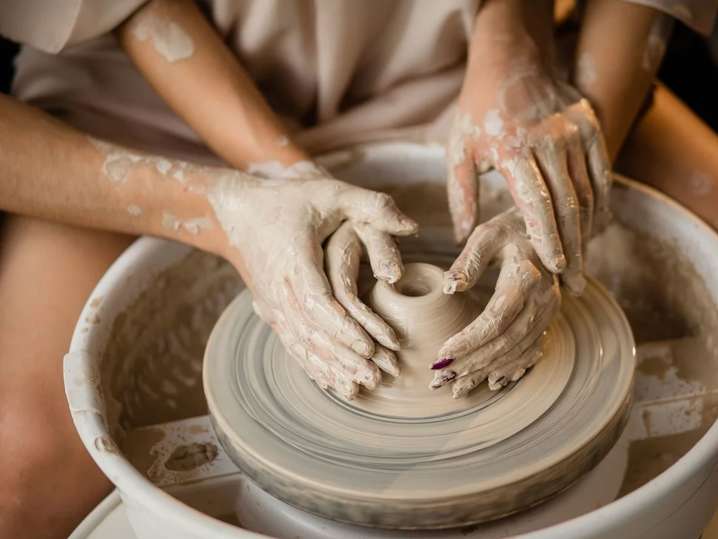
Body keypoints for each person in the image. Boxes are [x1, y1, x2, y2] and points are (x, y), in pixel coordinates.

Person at [0, 1, 714, 537]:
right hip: (149, 86)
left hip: (461, 68)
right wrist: (248, 193)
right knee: (22, 470)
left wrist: (517, 49)